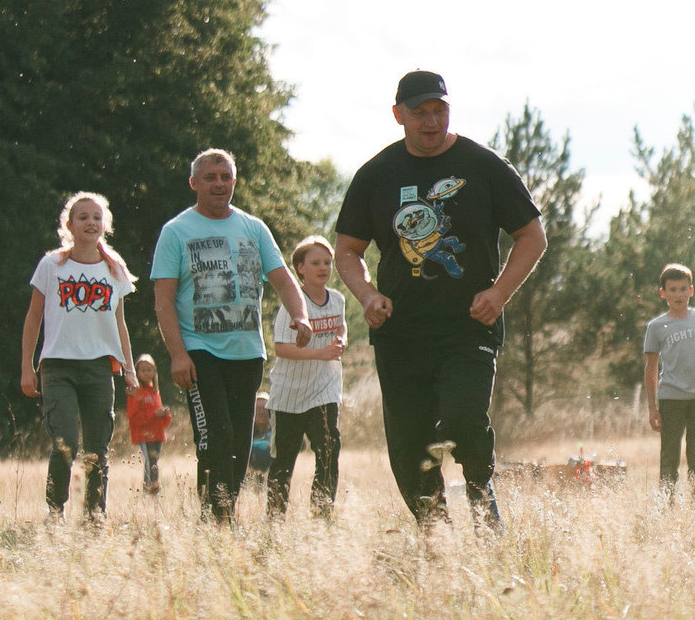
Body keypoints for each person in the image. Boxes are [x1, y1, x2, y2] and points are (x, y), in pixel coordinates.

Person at [334, 72, 544, 527]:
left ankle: (483, 502)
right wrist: (368, 295)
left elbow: (532, 235)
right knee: (410, 447)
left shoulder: (484, 166)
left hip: (469, 327)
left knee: (465, 417)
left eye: (439, 110)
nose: (431, 121)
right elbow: (347, 250)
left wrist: (499, 292)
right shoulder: (376, 174)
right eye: (419, 112)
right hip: (400, 334)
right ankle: (433, 536)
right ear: (398, 116)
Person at [150, 149, 310, 523]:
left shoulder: (253, 228)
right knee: (216, 435)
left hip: (247, 352)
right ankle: (213, 518)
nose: (219, 183)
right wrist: (177, 354)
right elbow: (163, 302)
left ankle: (224, 516)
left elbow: (284, 280)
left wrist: (300, 316)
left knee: (238, 442)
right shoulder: (176, 232)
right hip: (199, 351)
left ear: (234, 182)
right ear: (194, 184)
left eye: (226, 177)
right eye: (210, 177)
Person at [19, 192, 137, 520]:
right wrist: (28, 367)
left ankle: (94, 515)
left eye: (97, 217)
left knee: (97, 448)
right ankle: (55, 510)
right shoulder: (52, 266)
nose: (90, 222)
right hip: (58, 366)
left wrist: (128, 369)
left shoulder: (115, 270)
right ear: (69, 225)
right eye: (82, 217)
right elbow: (33, 318)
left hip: (100, 367)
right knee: (65, 440)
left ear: (105, 225)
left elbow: (119, 322)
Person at [267, 237, 347, 517]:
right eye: (315, 263)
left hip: (324, 388)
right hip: (289, 393)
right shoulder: (292, 304)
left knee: (329, 448)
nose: (323, 268)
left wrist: (340, 342)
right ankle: (275, 519)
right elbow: (280, 348)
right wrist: (320, 353)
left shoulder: (337, 299)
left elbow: (341, 328)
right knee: (284, 460)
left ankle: (322, 513)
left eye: (327, 263)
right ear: (300, 268)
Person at [644, 263, 695, 496]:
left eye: (682, 289)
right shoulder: (656, 327)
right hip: (671, 397)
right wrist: (652, 409)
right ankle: (667, 508)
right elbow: (651, 368)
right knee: (669, 455)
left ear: (691, 290)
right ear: (663, 293)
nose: (678, 294)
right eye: (672, 290)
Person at [126, 352, 172, 494]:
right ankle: (148, 490)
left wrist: (165, 414)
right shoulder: (136, 393)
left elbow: (164, 422)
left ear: (154, 371)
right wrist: (154, 415)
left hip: (157, 434)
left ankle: (155, 489)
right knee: (149, 463)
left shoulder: (154, 392)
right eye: (143, 370)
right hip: (145, 435)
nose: (147, 373)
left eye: (149, 370)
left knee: (154, 463)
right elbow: (134, 417)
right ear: (138, 372)